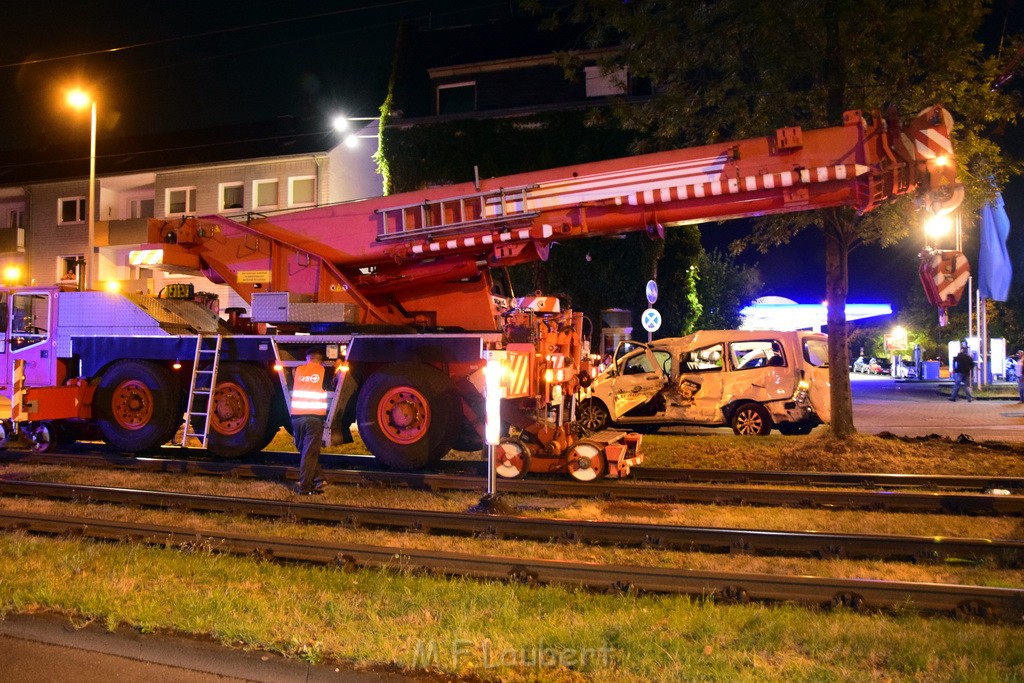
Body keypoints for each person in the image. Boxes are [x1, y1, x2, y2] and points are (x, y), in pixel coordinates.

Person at [291, 348, 330, 495]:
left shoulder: (298, 370)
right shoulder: (323, 371)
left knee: (304, 450)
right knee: (309, 453)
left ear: (307, 358)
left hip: (296, 417)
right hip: (314, 418)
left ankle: (320, 478)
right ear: (320, 360)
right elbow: (335, 381)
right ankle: (305, 487)